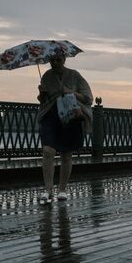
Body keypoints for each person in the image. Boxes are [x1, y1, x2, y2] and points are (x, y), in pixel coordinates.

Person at [37, 50, 93, 201]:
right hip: (50, 115)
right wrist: (41, 94)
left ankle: (62, 189)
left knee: (66, 154)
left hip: (70, 117)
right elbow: (43, 101)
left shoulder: (74, 75)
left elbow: (88, 98)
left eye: (58, 60)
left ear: (64, 59)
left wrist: (70, 92)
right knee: (48, 151)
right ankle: (48, 190)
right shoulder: (47, 76)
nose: (54, 63)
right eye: (52, 60)